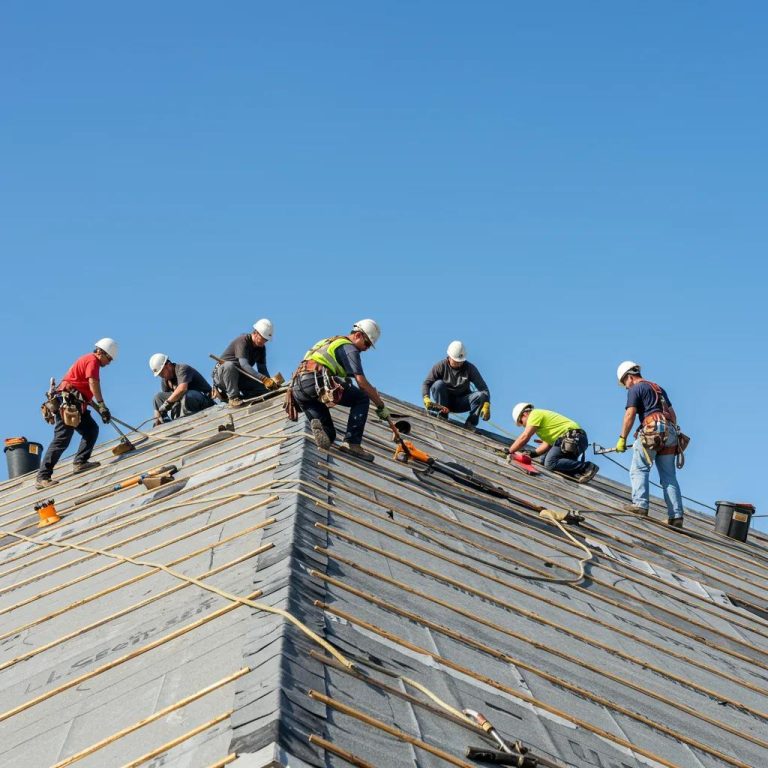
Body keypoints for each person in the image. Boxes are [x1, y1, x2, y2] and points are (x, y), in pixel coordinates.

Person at [290, 319, 390, 462]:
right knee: (361, 398)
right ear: (358, 335)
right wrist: (380, 405)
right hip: (314, 382)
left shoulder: (330, 342)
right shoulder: (350, 348)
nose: (366, 348)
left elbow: (334, 366)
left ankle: (322, 430)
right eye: (367, 343)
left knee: (329, 436)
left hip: (299, 389)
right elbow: (362, 383)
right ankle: (352, 443)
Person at [35, 338, 118, 489]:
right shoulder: (92, 361)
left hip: (77, 404)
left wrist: (100, 410)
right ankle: (43, 476)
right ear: (101, 353)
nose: (109, 363)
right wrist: (102, 404)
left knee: (91, 429)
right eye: (109, 358)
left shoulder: (88, 360)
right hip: (68, 403)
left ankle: (80, 462)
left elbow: (84, 391)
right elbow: (93, 383)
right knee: (62, 439)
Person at [614, 361, 685, 527]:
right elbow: (672, 415)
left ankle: (640, 505)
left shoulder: (635, 388)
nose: (626, 387)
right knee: (669, 477)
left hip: (653, 430)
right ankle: (676, 516)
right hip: (670, 432)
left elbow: (630, 414)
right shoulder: (657, 388)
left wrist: (622, 438)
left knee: (639, 468)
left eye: (625, 383)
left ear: (629, 377)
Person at [508, 403, 599, 483]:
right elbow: (547, 444)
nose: (523, 425)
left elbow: (525, 436)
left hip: (573, 438)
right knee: (543, 460)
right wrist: (532, 454)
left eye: (521, 421)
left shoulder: (534, 414)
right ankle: (576, 471)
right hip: (573, 441)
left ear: (525, 413)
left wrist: (510, 451)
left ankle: (586, 467)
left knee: (550, 463)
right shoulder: (540, 429)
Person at [422, 341, 491, 431]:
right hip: (444, 403)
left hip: (461, 402)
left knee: (481, 396)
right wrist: (426, 398)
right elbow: (426, 383)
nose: (459, 364)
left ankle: (470, 423)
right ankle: (442, 416)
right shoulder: (440, 366)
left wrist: (486, 404)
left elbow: (484, 390)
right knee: (438, 384)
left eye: (461, 361)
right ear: (449, 357)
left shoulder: (470, 368)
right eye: (456, 361)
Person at [213, 319, 280, 408]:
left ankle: (246, 396)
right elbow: (244, 364)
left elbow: (262, 369)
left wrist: (270, 383)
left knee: (264, 390)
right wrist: (263, 379)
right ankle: (233, 397)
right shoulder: (242, 341)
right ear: (256, 333)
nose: (264, 342)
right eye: (262, 339)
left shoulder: (261, 348)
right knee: (230, 366)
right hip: (223, 376)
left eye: (266, 340)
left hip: (239, 376)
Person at [149, 354, 215, 425]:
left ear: (168, 365)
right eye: (159, 375)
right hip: (185, 404)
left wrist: (167, 403)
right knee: (158, 397)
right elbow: (163, 401)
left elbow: (182, 389)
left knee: (186, 395)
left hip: (204, 401)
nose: (161, 376)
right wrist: (157, 417)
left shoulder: (182, 369)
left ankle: (187, 419)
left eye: (162, 373)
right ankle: (165, 421)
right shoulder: (166, 380)